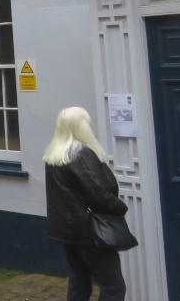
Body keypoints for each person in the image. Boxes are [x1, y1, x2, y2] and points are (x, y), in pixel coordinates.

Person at [43, 106, 128, 301]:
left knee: (79, 281)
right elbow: (100, 194)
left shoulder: (54, 155)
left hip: (68, 231)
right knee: (113, 287)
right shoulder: (81, 155)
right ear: (81, 127)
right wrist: (120, 207)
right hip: (91, 232)